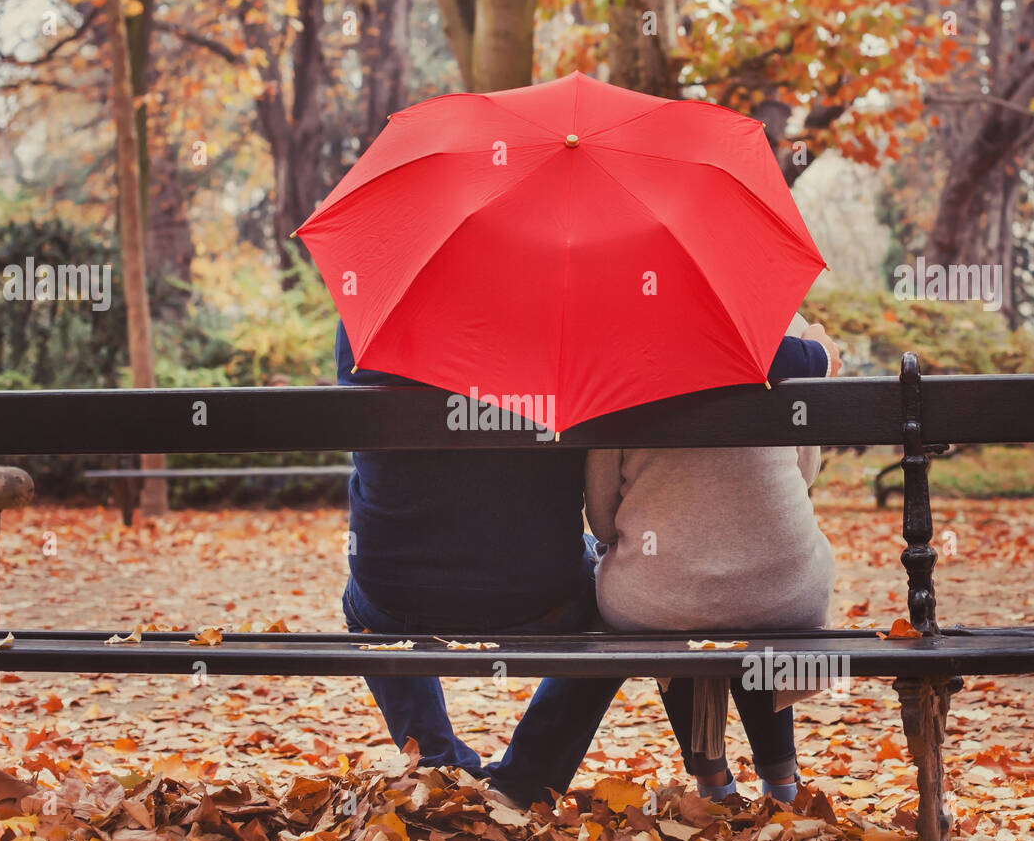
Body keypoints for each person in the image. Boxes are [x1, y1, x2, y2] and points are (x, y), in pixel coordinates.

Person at [336, 318, 837, 808]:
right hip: (536, 592)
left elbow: (361, 423)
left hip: (392, 586)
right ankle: (526, 780)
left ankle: (437, 764)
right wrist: (812, 353)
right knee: (605, 609)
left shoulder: (369, 316)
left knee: (364, 603)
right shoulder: (562, 308)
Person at [584, 314, 839, 804]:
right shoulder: (780, 333)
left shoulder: (614, 351)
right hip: (785, 593)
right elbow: (804, 475)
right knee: (750, 593)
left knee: (671, 591)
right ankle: (782, 780)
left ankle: (713, 783)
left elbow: (601, 518)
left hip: (657, 600)